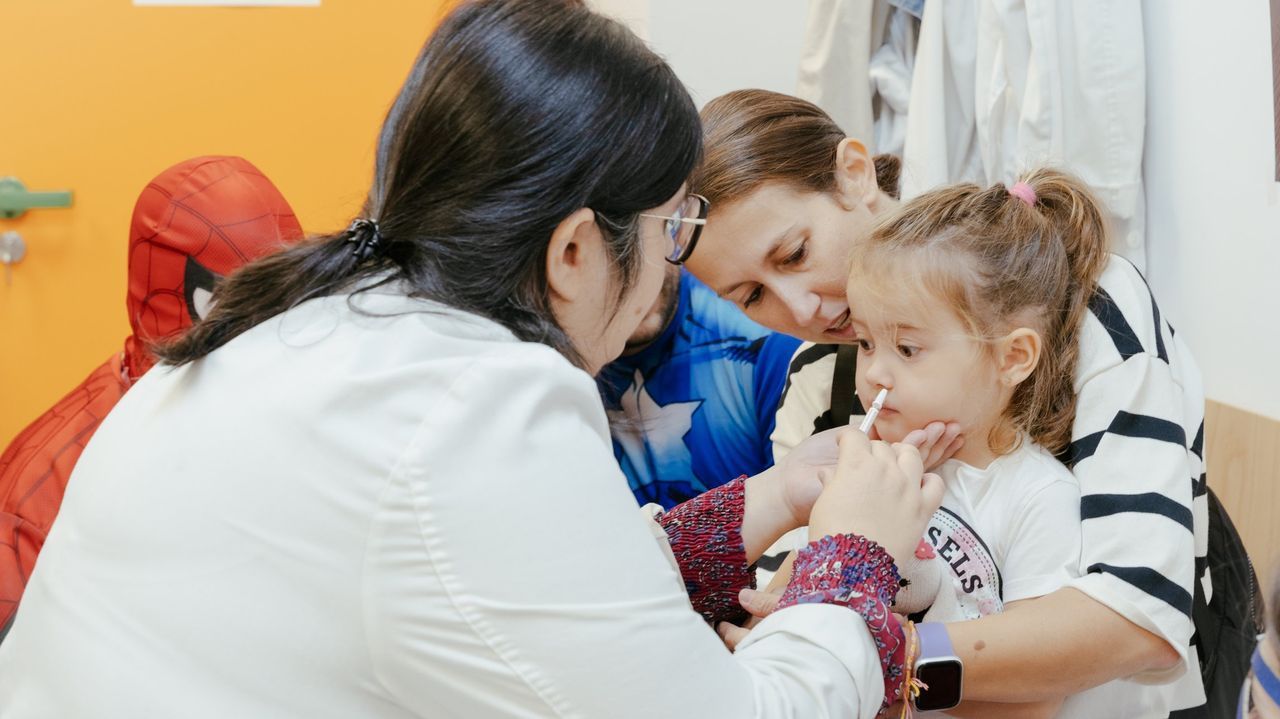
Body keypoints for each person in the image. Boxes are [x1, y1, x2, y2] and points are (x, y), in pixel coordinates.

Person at [0, 3, 945, 717]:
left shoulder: (314, 324)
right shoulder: (479, 405)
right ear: (576, 252)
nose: (674, 271)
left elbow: (539, 586)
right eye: (674, 230)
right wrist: (854, 551)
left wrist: (776, 498)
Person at [684, 89, 1208, 716]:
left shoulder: (1085, 302)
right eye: (751, 296)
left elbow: (1138, 620)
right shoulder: (820, 371)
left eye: (795, 254)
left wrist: (887, 654)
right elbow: (792, 589)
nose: (800, 310)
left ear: (854, 173)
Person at [844, 167, 1187, 716]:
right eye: (864, 342)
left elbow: (1035, 696)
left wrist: (883, 685)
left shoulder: (1036, 496)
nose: (874, 375)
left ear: (1013, 358)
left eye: (907, 349)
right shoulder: (888, 469)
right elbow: (807, 594)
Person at [0, 155, 303, 640]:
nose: (260, 333)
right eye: (233, 306)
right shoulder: (45, 484)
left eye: (279, 304)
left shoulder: (288, 422)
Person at [600, 263, 801, 509]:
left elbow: (797, 527)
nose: (627, 279)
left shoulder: (763, 337)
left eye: (636, 238)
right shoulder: (551, 371)